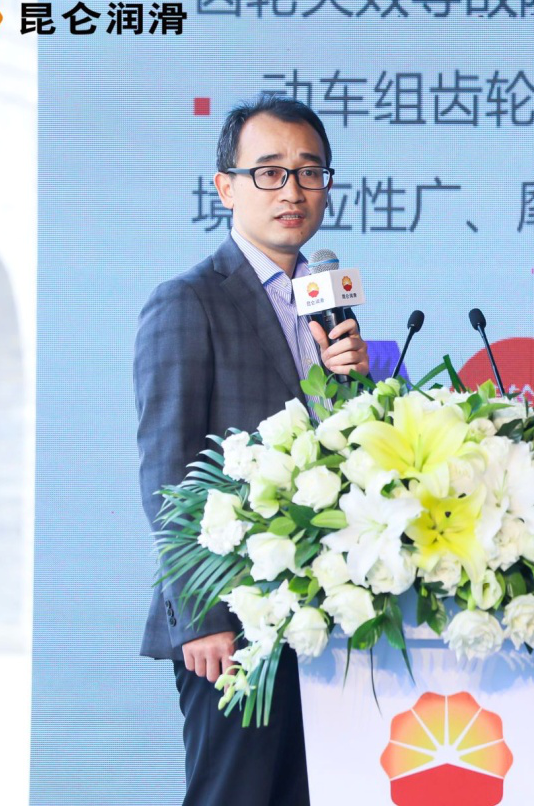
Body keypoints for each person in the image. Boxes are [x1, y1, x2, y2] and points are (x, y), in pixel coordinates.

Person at [134, 95, 368, 805]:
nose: (292, 191)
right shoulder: (189, 301)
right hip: (233, 623)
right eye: (269, 172)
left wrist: (354, 385)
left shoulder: (326, 305)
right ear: (226, 187)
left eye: (309, 172)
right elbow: (169, 472)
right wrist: (202, 614)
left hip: (324, 621)